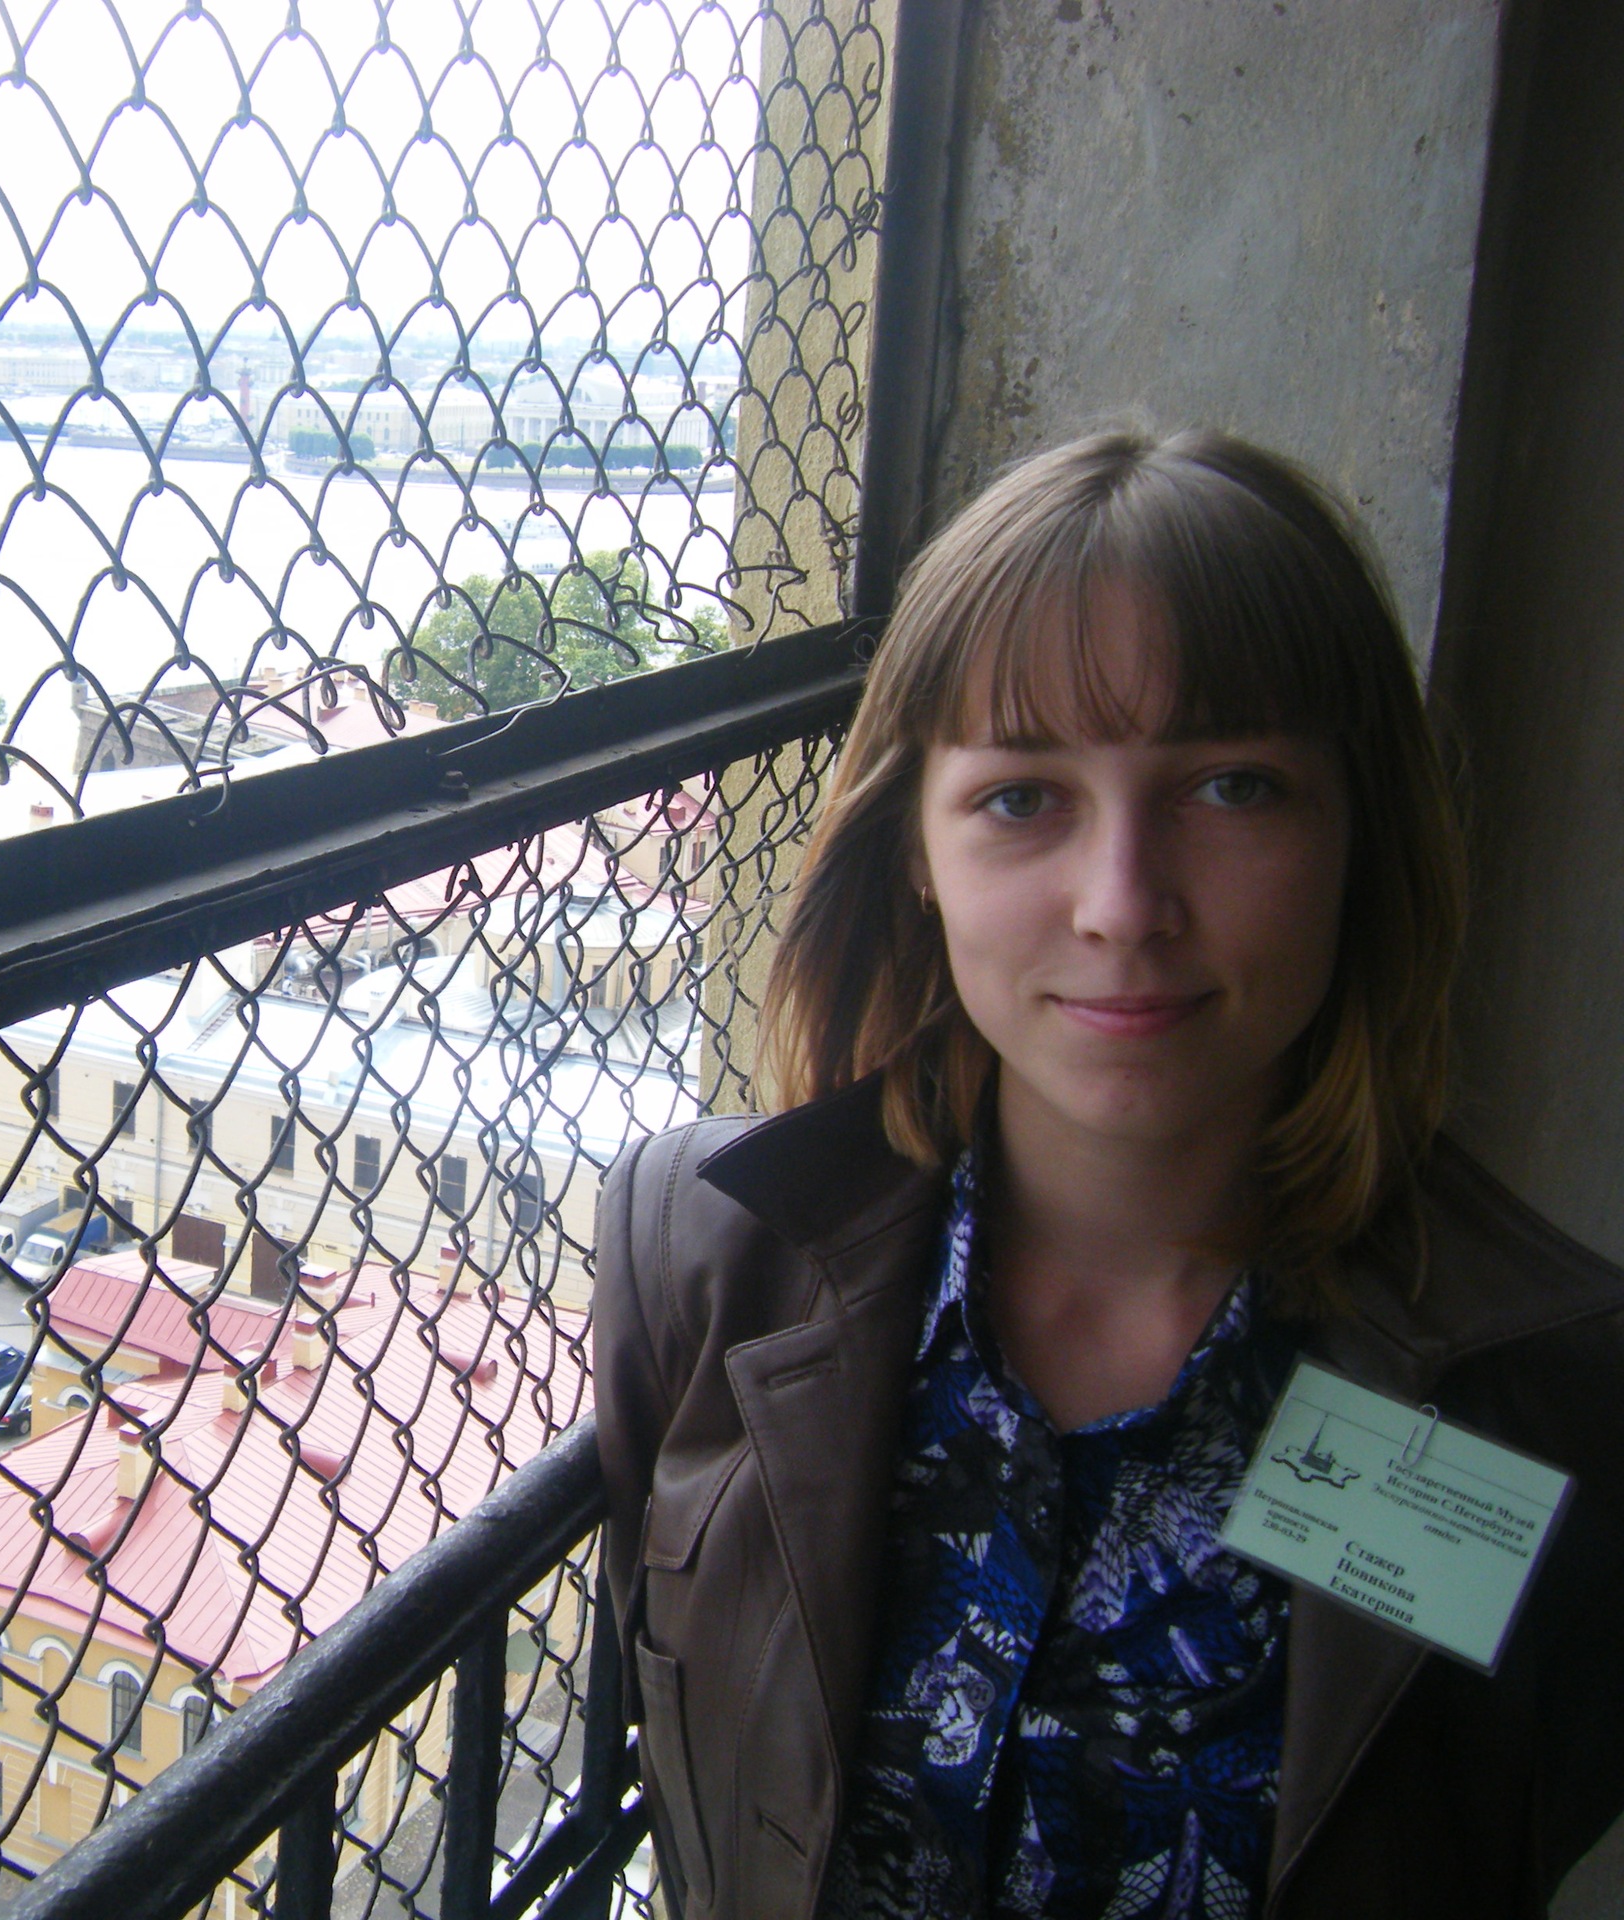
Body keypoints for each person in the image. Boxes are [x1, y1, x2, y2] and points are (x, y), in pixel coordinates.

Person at [593, 428, 1624, 1920]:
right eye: (1024, 797)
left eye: (1236, 787)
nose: (1124, 905)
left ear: (1361, 833)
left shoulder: (1545, 1398)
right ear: (916, 849)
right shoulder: (705, 1251)